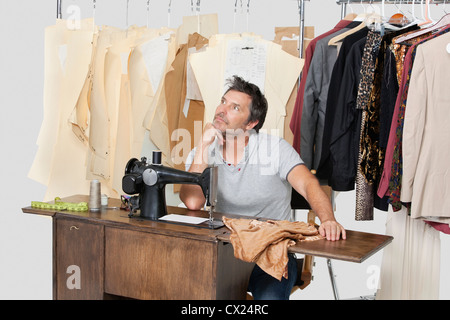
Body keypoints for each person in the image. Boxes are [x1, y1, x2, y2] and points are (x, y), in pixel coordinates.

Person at [179, 75, 346, 300]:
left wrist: (328, 219)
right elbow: (192, 202)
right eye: (223, 101)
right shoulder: (204, 149)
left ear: (251, 124)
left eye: (234, 107)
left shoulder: (274, 148)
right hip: (225, 252)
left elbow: (308, 184)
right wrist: (202, 147)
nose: (222, 110)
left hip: (271, 253)